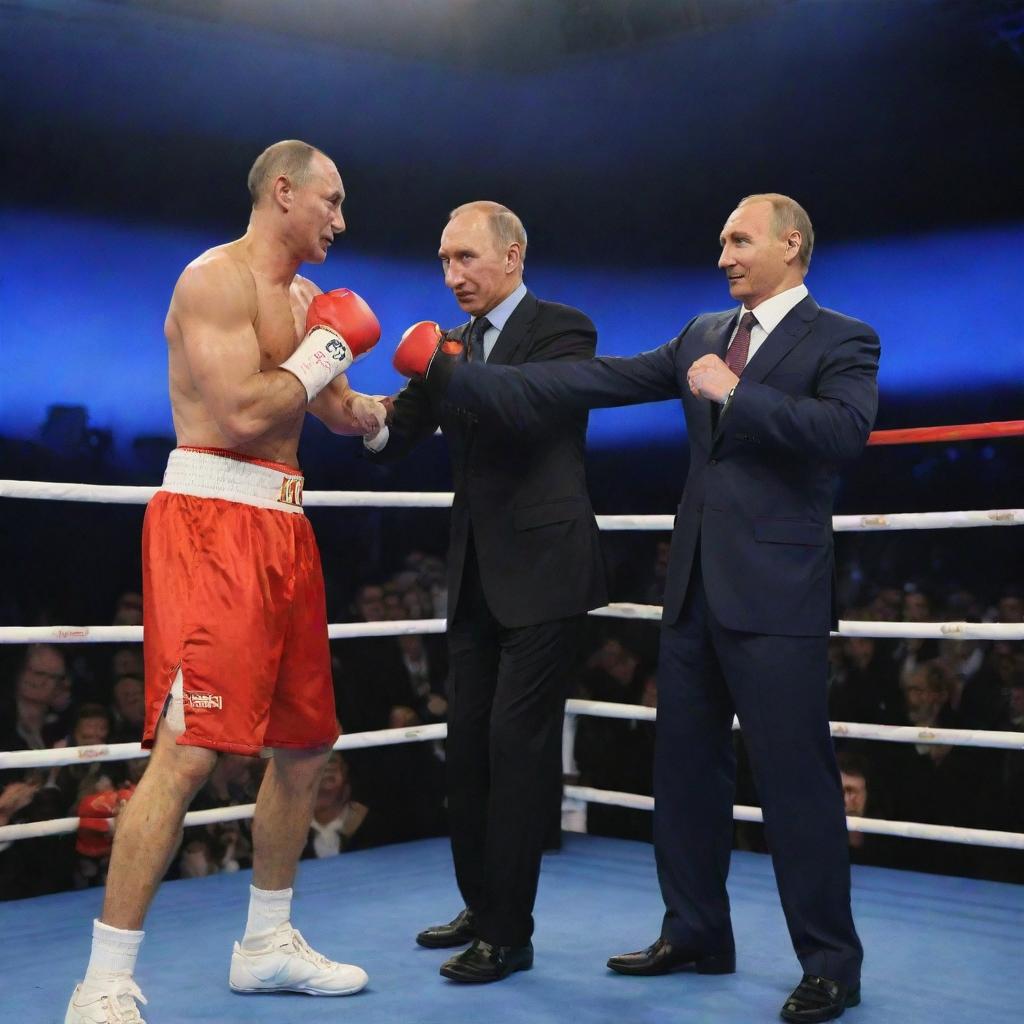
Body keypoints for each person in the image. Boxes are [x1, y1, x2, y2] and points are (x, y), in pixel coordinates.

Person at [396, 193, 878, 1021]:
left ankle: (831, 962)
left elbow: (844, 433)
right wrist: (463, 376)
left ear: (791, 244)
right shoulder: (701, 334)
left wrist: (736, 393)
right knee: (684, 775)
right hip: (690, 589)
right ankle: (694, 930)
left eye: (740, 239)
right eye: (722, 238)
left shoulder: (843, 338)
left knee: (796, 783)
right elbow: (599, 377)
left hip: (778, 595)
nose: (723, 253)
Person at [65, 139, 387, 1023]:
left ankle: (267, 943)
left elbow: (336, 408)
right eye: (331, 199)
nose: (341, 220)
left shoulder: (312, 300)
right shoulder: (212, 280)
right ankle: (102, 981)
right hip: (211, 520)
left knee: (306, 742)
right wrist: (324, 353)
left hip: (286, 526)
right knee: (191, 751)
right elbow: (246, 411)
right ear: (283, 192)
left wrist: (403, 408)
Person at [368, 200, 607, 982]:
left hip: (546, 575)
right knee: (466, 751)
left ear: (512, 255)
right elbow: (389, 437)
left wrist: (440, 367)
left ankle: (510, 932)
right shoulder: (450, 347)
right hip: (474, 579)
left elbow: (523, 410)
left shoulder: (565, 329)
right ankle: (481, 905)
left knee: (516, 751)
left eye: (467, 258)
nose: (453, 275)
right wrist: (321, 373)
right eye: (443, 261)